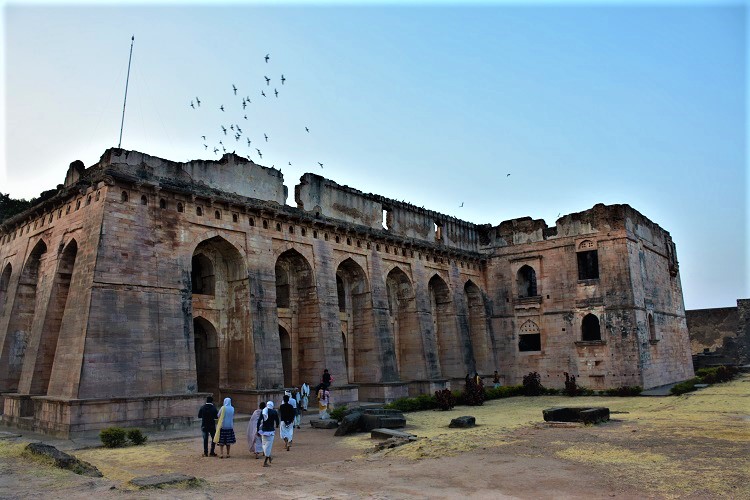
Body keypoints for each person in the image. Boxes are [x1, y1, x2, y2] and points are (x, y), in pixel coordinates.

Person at [257, 400, 280, 467]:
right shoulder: (274, 412)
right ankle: (265, 462)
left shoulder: (263, 411)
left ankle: (269, 457)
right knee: (268, 446)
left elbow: (259, 421)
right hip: (270, 431)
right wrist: (277, 425)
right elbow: (277, 420)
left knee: (264, 445)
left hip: (264, 431)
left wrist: (258, 429)